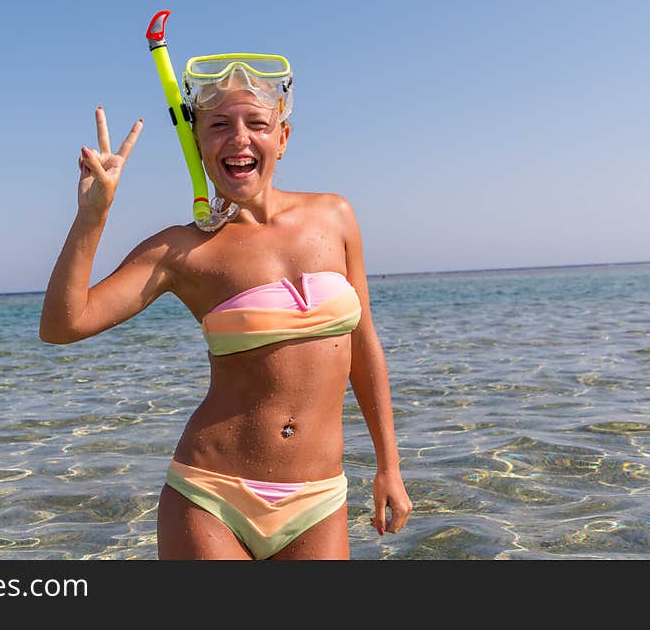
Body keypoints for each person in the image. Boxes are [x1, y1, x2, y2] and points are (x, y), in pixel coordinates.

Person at [39, 53, 412, 559]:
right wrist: (92, 215)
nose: (239, 138)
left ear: (282, 137)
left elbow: (364, 346)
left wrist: (388, 465)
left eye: (256, 123)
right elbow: (63, 324)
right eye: (218, 125)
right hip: (210, 494)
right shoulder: (181, 250)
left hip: (319, 496)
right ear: (196, 142)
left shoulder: (335, 217)